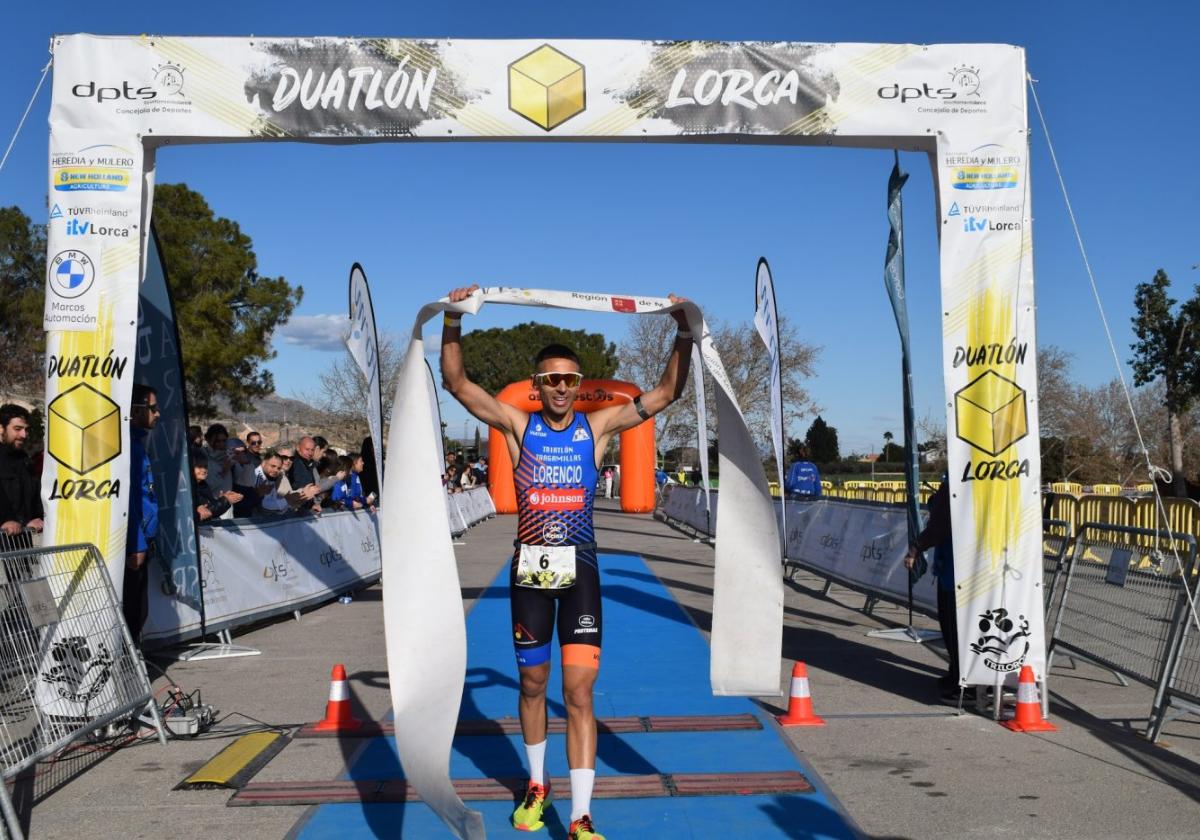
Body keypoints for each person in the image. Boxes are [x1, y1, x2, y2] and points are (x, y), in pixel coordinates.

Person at [442, 283, 692, 840]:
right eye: (551, 378)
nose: (560, 386)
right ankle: (536, 784)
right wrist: (454, 320)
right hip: (532, 568)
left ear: (579, 387)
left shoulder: (596, 427)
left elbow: (668, 390)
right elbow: (456, 383)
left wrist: (682, 328)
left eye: (569, 379)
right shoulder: (517, 425)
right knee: (533, 684)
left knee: (579, 692)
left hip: (580, 570)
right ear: (537, 385)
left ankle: (581, 816)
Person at [903, 477, 958, 703]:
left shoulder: (956, 477)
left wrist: (916, 547)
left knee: (953, 627)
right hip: (976, 566)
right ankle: (960, 676)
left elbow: (940, 524)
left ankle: (960, 680)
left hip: (954, 568)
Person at [125, 384, 160, 645]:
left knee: (140, 611)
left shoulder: (137, 443)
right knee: (132, 611)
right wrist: (136, 544)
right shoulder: (128, 448)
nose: (157, 414)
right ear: (136, 410)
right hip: (132, 547)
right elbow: (132, 499)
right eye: (153, 408)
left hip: (144, 541)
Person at [0, 404, 44, 540]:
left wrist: (37, 517)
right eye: (17, 429)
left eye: (26, 430)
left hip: (21, 540)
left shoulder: (24, 459)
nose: (24, 435)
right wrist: (5, 519)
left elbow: (34, 492)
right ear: (1, 428)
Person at [190, 448, 239, 523]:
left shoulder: (203, 485)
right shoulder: (189, 490)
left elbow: (211, 510)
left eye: (205, 466)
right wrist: (225, 501)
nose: (204, 470)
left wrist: (221, 499)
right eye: (199, 467)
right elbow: (206, 512)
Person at [231, 431, 264, 517]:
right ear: (248, 443)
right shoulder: (244, 459)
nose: (257, 444)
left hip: (256, 497)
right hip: (244, 500)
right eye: (253, 442)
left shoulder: (258, 457)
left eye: (259, 442)